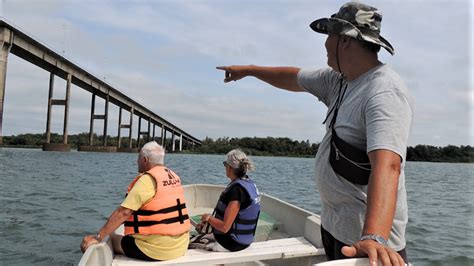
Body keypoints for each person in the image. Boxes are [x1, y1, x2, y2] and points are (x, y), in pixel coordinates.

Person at [216, 2, 412, 266]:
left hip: (365, 246)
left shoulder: (384, 92)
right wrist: (249, 71)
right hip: (334, 228)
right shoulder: (339, 80)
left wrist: (374, 236)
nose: (325, 44)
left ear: (345, 40)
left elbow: (388, 166)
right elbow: (294, 77)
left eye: (329, 35)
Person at [81, 141, 191, 261]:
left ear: (145, 160)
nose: (136, 161)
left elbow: (124, 212)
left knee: (109, 239)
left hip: (156, 250)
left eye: (138, 157)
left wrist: (98, 237)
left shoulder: (147, 180)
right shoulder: (174, 176)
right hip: (180, 246)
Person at [193, 149, 260, 252]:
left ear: (229, 168)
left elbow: (225, 227)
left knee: (190, 243)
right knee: (204, 235)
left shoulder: (237, 191)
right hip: (245, 240)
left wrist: (208, 218)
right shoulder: (248, 184)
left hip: (232, 243)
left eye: (225, 164)